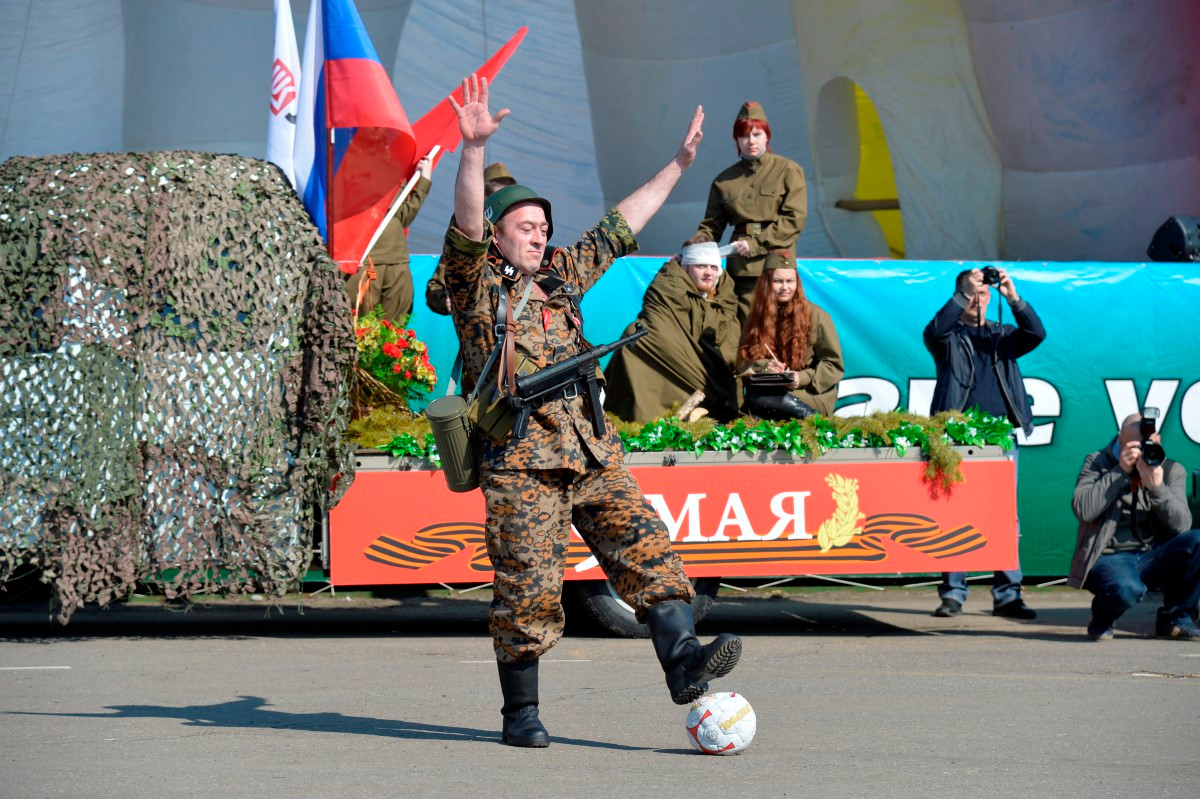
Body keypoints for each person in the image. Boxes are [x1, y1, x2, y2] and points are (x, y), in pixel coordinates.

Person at [441, 75, 742, 748]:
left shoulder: (561, 272)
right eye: (526, 226)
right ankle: (520, 715)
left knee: (650, 552)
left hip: (591, 453)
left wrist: (679, 166)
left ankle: (684, 663)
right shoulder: (476, 280)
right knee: (528, 592)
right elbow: (464, 223)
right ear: (498, 234)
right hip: (521, 464)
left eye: (544, 226)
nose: (539, 234)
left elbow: (620, 224)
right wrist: (471, 150)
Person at [925, 267, 1046, 619]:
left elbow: (1036, 332)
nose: (978, 300)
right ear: (959, 295)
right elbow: (935, 330)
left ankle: (1008, 595)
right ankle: (953, 593)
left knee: (1005, 517)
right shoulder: (947, 337)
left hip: (1000, 438)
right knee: (954, 512)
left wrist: (1012, 295)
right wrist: (964, 291)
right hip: (957, 436)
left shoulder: (1003, 335)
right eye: (971, 294)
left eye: (983, 294)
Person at [1069, 413, 1200, 641]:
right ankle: (1102, 617)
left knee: (1197, 540)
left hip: (1154, 555)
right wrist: (1119, 472)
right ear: (1120, 440)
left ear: (1157, 441)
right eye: (1133, 446)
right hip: (1111, 557)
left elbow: (1182, 527)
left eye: (1147, 445)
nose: (1140, 452)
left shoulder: (1170, 470)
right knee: (1127, 589)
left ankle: (1176, 619)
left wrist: (1157, 488)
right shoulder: (1097, 462)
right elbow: (1083, 509)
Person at [693, 101, 807, 325]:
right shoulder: (724, 181)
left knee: (784, 325)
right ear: (736, 139)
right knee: (748, 326)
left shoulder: (788, 171)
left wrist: (755, 244)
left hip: (778, 264)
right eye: (744, 135)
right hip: (742, 269)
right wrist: (694, 249)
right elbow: (711, 226)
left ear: (767, 136)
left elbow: (794, 220)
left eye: (757, 134)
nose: (751, 141)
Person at [602, 240, 740, 423]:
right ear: (685, 267)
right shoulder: (668, 290)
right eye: (700, 266)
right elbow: (659, 329)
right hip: (676, 369)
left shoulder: (725, 300)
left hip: (713, 380)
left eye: (714, 267)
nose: (708, 273)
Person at [736, 250, 842, 420]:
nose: (785, 287)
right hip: (767, 394)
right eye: (778, 281)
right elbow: (742, 364)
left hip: (809, 393)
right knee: (756, 397)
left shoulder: (817, 316)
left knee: (760, 400)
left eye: (790, 281)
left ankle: (813, 419)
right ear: (766, 283)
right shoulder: (755, 318)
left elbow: (833, 366)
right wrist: (765, 366)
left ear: (797, 283)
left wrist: (800, 378)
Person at [346, 154, 433, 323]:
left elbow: (403, 216)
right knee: (358, 326)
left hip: (397, 262)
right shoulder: (350, 174)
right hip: (365, 263)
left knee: (393, 330)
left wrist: (424, 178)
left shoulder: (393, 176)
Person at [425, 162, 517, 315]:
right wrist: (448, 302)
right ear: (482, 197)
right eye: (497, 200)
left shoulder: (521, 237)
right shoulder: (467, 238)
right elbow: (435, 289)